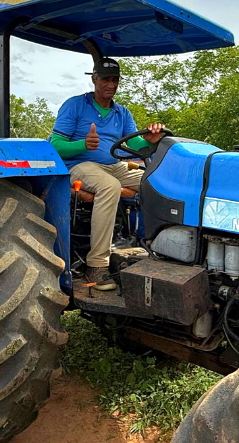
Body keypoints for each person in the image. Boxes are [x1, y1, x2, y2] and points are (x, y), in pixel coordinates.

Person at [50, 57, 164, 295]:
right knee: (110, 186)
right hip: (80, 165)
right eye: (105, 79)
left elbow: (134, 144)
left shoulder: (122, 113)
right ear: (94, 79)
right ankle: (97, 265)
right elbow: (56, 145)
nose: (110, 84)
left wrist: (150, 141)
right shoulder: (75, 105)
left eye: (115, 80)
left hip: (115, 165)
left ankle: (158, 248)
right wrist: (82, 144)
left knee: (156, 183)